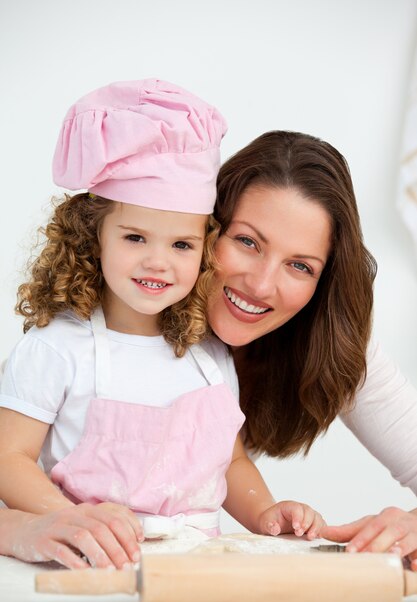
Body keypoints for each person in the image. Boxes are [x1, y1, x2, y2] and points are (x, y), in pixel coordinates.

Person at [0, 85, 325, 569]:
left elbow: (230, 461)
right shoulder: (58, 347)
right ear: (94, 237)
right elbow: (8, 457)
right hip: (91, 566)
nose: (158, 262)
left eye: (181, 245)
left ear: (205, 249)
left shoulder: (206, 353)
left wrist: (265, 512)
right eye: (135, 237)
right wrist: (64, 519)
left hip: (194, 569)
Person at [207, 130, 417, 569]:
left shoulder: (329, 343)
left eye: (300, 266)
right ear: (209, 227)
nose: (261, 285)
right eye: (247, 241)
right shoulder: (124, 312)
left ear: (324, 284)